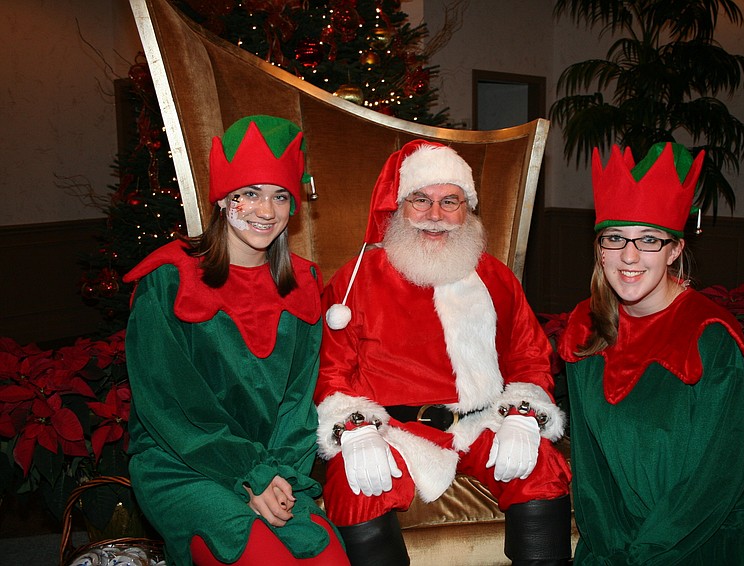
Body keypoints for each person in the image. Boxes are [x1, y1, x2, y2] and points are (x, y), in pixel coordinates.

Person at [315, 139, 572, 566]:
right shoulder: (356, 279)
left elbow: (529, 355)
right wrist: (355, 428)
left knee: (541, 466)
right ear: (401, 206)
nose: (435, 216)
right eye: (422, 200)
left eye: (450, 201)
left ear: (467, 209)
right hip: (391, 430)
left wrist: (524, 415)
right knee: (355, 482)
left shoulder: (496, 277)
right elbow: (331, 371)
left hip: (479, 422)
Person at [123, 115, 349, 566]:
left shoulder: (302, 282)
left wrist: (277, 474)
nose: (266, 211)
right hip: (182, 464)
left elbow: (297, 404)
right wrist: (251, 475)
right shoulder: (169, 281)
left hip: (271, 466)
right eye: (249, 194)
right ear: (224, 200)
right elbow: (172, 406)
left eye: (280, 196)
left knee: (329, 558)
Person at [557, 142, 744, 564]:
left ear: (675, 250)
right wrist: (611, 545)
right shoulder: (587, 327)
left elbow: (717, 477)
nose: (629, 256)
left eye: (649, 240)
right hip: (615, 542)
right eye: (615, 238)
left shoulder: (710, 337)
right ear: (599, 248)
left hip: (697, 537)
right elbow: (591, 465)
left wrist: (647, 554)